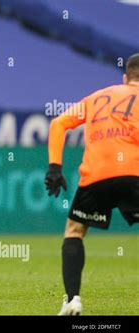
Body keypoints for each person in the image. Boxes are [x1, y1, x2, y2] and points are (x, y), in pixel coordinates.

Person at [45, 53, 139, 315]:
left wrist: (55, 167)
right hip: (134, 172)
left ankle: (73, 299)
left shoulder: (98, 96)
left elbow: (59, 123)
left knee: (74, 231)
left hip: (97, 175)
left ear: (125, 77)